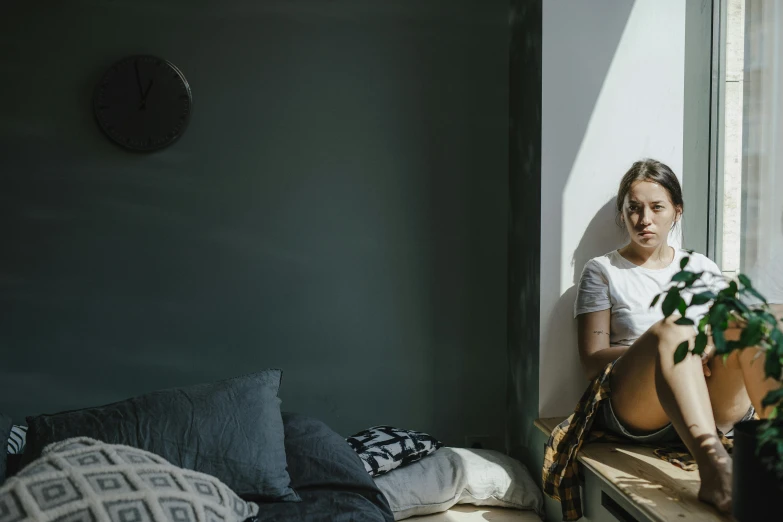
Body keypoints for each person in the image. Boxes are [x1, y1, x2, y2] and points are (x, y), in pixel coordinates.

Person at [560, 159, 782, 515]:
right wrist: (665, 346)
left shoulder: (701, 268)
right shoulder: (603, 271)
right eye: (634, 208)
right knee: (674, 328)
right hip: (638, 409)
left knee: (751, 323)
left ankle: (776, 453)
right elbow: (591, 361)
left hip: (707, 403)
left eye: (656, 207)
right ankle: (715, 469)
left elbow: (727, 332)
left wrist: (706, 346)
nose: (644, 219)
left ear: (676, 212)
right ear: (623, 214)